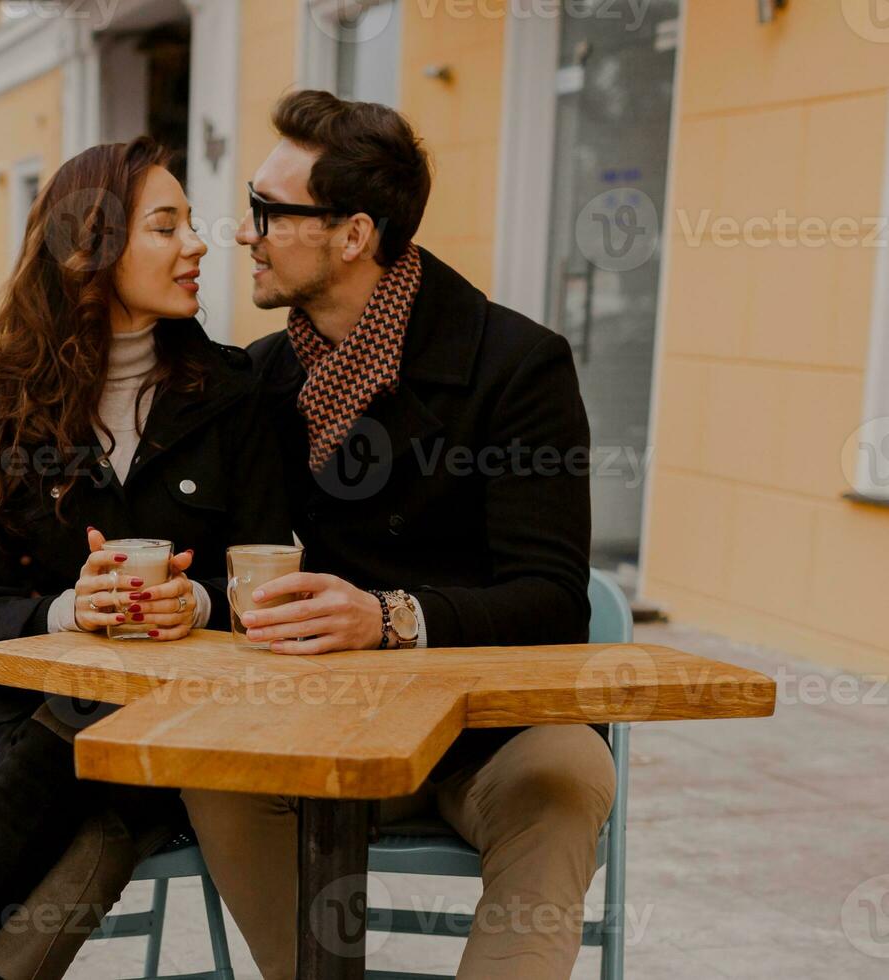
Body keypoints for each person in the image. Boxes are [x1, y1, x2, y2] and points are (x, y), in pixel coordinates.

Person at [180, 91, 615, 980]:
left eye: (268, 212)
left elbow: (552, 598)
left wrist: (390, 617)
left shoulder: (515, 365)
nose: (243, 233)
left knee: (568, 774)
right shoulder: (256, 381)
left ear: (352, 235)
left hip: (487, 729)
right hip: (314, 727)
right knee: (211, 772)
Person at [0, 138, 291, 980]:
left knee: (99, 741)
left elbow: (266, 572)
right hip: (27, 736)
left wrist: (201, 606)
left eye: (190, 222)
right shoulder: (16, 408)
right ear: (93, 249)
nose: (199, 243)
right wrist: (68, 611)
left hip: (183, 726)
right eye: (167, 225)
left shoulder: (234, 397)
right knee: (91, 769)